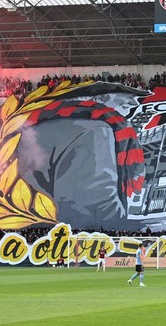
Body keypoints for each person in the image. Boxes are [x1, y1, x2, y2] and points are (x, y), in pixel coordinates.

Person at [17, 81, 151, 230]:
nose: (133, 105)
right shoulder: (94, 130)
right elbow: (96, 209)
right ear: (101, 99)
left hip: (38, 229)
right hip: (78, 234)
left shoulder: (34, 127)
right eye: (126, 102)